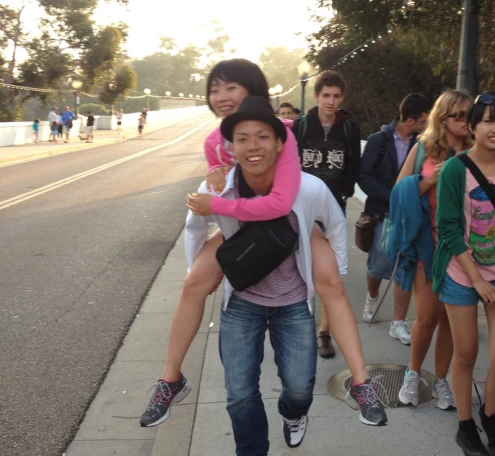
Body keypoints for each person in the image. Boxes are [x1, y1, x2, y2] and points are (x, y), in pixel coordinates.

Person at [140, 59, 385, 430]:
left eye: (231, 88)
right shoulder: (216, 146)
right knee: (193, 285)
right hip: (242, 233)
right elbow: (198, 222)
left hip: (295, 228)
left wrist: (335, 263)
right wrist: (208, 268)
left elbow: (301, 208)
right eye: (215, 90)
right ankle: (171, 379)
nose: (221, 97)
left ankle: (361, 382)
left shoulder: (287, 141)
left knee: (331, 285)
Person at [186, 96, 346, 454]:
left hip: (292, 303)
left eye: (262, 136)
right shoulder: (220, 185)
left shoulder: (306, 187)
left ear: (279, 142)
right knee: (240, 394)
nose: (252, 146)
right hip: (242, 303)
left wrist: (334, 270)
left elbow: (335, 224)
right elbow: (194, 226)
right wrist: (198, 267)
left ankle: (293, 413)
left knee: (300, 387)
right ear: (232, 146)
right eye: (242, 138)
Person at [432, 92, 495, 456]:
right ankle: (466, 425)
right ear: (471, 126)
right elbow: (449, 228)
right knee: (467, 352)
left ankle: (490, 417)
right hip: (462, 272)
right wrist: (476, 279)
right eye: (487, 120)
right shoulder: (456, 169)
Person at [394, 90, 473, 410]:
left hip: (465, 251)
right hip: (430, 247)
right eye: (460, 115)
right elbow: (398, 192)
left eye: (470, 115)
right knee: (426, 317)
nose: (467, 121)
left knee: (451, 321)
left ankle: (441, 380)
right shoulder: (423, 148)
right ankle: (413, 374)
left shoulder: (477, 151)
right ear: (443, 118)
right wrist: (427, 181)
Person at [293, 70, 362, 358]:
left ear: (341, 97)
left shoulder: (349, 128)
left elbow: (354, 164)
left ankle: (324, 331)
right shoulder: (300, 126)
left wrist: (343, 194)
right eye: (326, 95)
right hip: (300, 208)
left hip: (333, 207)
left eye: (336, 96)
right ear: (316, 96)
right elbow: (289, 164)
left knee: (330, 270)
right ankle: (297, 324)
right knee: (297, 266)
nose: (331, 101)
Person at [358, 92, 432, 344]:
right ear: (411, 120)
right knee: (378, 265)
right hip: (382, 213)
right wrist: (394, 196)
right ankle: (372, 296)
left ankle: (398, 322)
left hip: (410, 216)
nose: (427, 125)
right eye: (424, 121)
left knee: (404, 269)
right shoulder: (378, 140)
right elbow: (364, 176)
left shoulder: (423, 144)